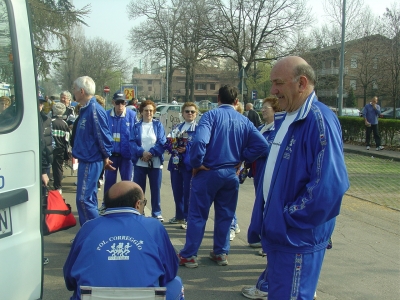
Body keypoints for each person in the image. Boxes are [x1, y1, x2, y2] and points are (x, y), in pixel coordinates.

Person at [242, 56, 349, 300]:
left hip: (296, 239)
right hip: (283, 236)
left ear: (301, 83)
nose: (273, 90)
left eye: (278, 83)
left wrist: (288, 216)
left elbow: (330, 186)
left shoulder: (318, 120)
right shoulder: (290, 116)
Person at [177, 85, 269, 268]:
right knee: (225, 214)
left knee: (197, 214)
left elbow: (200, 141)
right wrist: (243, 158)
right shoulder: (244, 120)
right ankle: (221, 252)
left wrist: (196, 163)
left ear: (218, 98)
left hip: (208, 171)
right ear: (236, 101)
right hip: (230, 173)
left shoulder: (210, 116)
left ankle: (189, 255)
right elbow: (263, 145)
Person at [63, 181, 184, 300]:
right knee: (176, 282)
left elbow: (70, 279)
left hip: (92, 296)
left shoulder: (88, 228)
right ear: (138, 204)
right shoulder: (154, 226)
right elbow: (170, 271)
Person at [71, 76, 114, 226]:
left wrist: (105, 157)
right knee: (88, 199)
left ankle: (96, 233)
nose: (73, 92)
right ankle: (89, 233)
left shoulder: (94, 110)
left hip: (91, 161)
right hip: (87, 160)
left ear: (82, 91)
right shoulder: (86, 109)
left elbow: (104, 137)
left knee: (84, 199)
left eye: (74, 89)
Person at [130, 100, 166, 221]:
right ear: (141, 112)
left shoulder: (158, 125)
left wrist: (150, 153)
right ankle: (139, 211)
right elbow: (132, 143)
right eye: (146, 110)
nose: (148, 112)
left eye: (151, 110)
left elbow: (162, 142)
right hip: (140, 163)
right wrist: (142, 152)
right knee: (139, 190)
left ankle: (157, 212)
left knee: (155, 189)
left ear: (154, 112)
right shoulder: (136, 126)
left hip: (154, 163)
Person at [167, 102, 198, 227]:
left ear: (196, 114)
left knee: (188, 192)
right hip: (176, 163)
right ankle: (179, 215)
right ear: (182, 114)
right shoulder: (177, 127)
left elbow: (201, 146)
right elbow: (168, 143)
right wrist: (172, 147)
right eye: (187, 111)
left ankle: (188, 218)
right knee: (177, 190)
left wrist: (186, 149)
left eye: (192, 111)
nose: (189, 113)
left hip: (189, 165)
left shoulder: (199, 129)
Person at [103, 92, 136, 196]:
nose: (120, 105)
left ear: (125, 103)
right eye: (118, 103)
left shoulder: (132, 115)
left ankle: (128, 206)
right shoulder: (106, 115)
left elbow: (135, 135)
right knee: (109, 183)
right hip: (111, 156)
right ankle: (106, 205)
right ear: (113, 102)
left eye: (123, 102)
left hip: (126, 157)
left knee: (127, 183)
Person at [51, 102, 70, 195]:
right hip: (60, 149)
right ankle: (58, 187)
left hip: (50, 149)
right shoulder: (64, 124)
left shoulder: (50, 122)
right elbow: (67, 139)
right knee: (58, 168)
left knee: (46, 167)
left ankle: (43, 186)